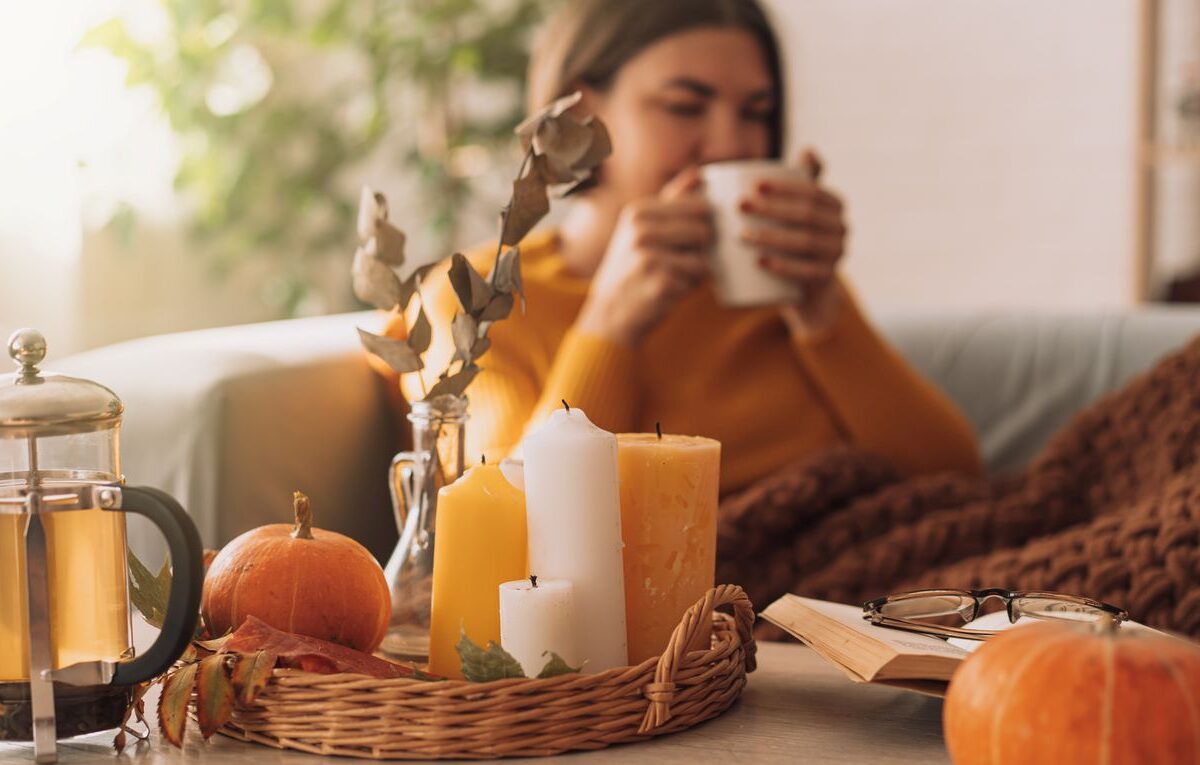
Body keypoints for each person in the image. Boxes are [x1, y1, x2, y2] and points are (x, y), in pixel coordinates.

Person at [390, 0, 982, 494]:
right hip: (722, 613)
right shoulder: (474, 297)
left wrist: (822, 307)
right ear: (581, 112)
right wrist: (611, 326)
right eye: (684, 106)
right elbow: (515, 537)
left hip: (871, 577)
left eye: (757, 113)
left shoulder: (778, 286)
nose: (731, 145)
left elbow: (956, 478)